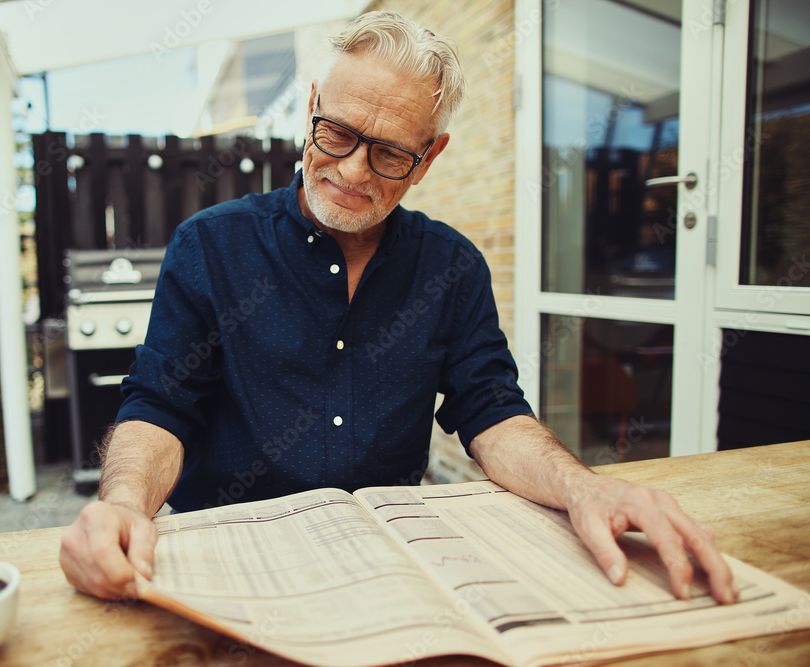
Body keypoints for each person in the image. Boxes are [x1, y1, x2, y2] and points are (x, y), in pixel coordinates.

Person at [60, 10, 736, 606]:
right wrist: (121, 502)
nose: (352, 171)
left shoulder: (453, 266)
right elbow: (159, 407)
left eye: (388, 153)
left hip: (395, 574)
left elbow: (492, 411)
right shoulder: (208, 246)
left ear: (429, 157)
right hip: (234, 567)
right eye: (338, 133)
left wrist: (585, 488)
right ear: (311, 107)